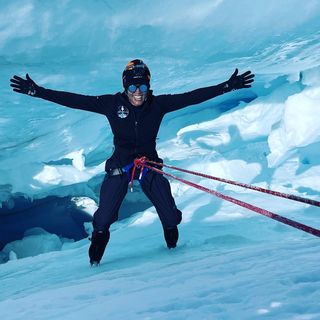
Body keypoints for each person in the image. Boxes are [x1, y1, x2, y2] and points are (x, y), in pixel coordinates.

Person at [10, 59, 254, 265]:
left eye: (143, 86)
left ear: (149, 85)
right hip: (120, 166)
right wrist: (38, 91)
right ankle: (96, 254)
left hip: (149, 165)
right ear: (125, 86)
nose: (138, 92)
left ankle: (174, 252)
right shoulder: (112, 104)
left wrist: (227, 87)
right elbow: (75, 100)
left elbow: (192, 97)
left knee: (169, 215)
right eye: (133, 86)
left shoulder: (158, 104)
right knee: (104, 218)